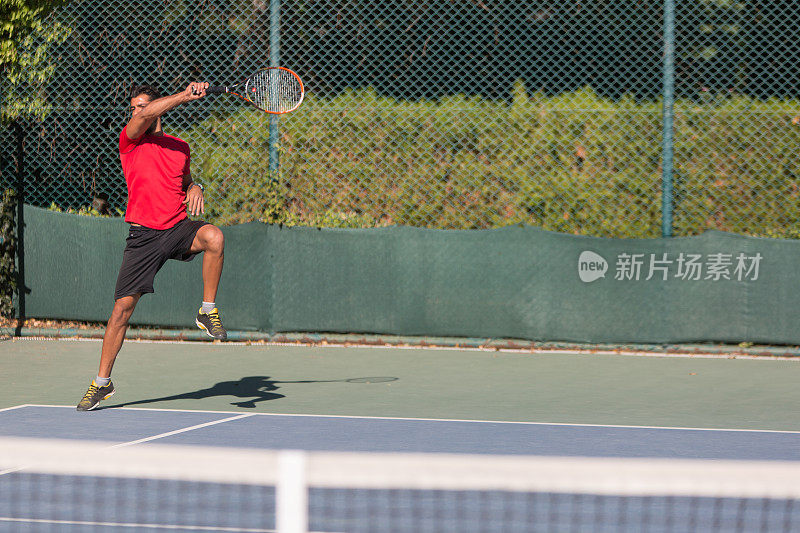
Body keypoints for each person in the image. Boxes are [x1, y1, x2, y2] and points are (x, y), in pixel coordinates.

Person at [77, 82, 228, 412]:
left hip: (176, 228)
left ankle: (207, 309)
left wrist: (196, 186)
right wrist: (185, 95)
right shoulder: (130, 142)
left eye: (142, 106)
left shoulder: (179, 147)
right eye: (133, 108)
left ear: (157, 106)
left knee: (214, 237)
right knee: (121, 311)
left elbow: (185, 180)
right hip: (143, 237)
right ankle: (102, 383)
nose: (136, 112)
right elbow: (145, 114)